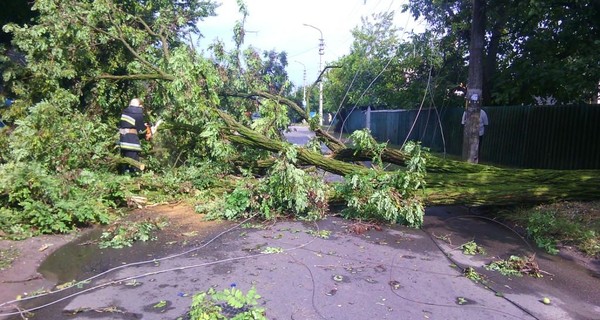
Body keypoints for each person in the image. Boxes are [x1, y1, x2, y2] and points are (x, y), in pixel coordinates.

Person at [118, 98, 148, 175]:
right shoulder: (138, 113)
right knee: (134, 166)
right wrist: (146, 128)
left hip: (123, 141)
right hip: (132, 142)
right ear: (140, 106)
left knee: (124, 162)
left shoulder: (125, 111)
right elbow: (141, 131)